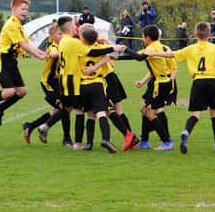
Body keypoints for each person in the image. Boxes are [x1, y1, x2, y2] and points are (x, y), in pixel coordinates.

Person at [145, 21, 215, 154]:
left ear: (195, 34)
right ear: (209, 34)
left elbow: (172, 54)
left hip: (198, 82)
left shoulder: (191, 48)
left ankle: (186, 132)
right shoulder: (214, 47)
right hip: (213, 81)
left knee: (195, 113)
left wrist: (154, 53)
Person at [36, 16, 126, 149]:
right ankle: (77, 143)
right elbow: (91, 51)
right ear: (68, 28)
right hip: (74, 80)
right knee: (78, 110)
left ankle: (46, 126)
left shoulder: (63, 41)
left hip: (64, 79)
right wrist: (113, 48)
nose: (75, 27)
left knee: (68, 107)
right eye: (73, 25)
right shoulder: (72, 42)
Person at [0, 0, 47, 126]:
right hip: (0, 59)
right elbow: (23, 45)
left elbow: (27, 44)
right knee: (9, 92)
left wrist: (43, 53)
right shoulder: (11, 24)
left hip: (11, 61)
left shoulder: (18, 25)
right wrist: (40, 56)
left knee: (22, 91)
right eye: (22, 9)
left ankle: (0, 108)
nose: (25, 12)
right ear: (13, 9)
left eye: (27, 9)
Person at [22, 23, 73, 147]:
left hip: (59, 83)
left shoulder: (64, 44)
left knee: (57, 111)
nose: (62, 36)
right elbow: (54, 54)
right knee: (65, 107)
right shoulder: (53, 46)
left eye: (63, 33)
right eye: (59, 34)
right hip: (49, 83)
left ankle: (31, 126)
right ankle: (65, 138)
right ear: (51, 36)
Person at [133, 25, 176, 151]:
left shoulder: (163, 49)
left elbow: (174, 68)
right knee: (145, 110)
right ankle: (145, 141)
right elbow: (152, 70)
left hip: (163, 83)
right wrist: (143, 81)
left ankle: (167, 141)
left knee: (154, 112)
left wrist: (170, 82)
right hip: (155, 82)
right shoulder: (150, 48)